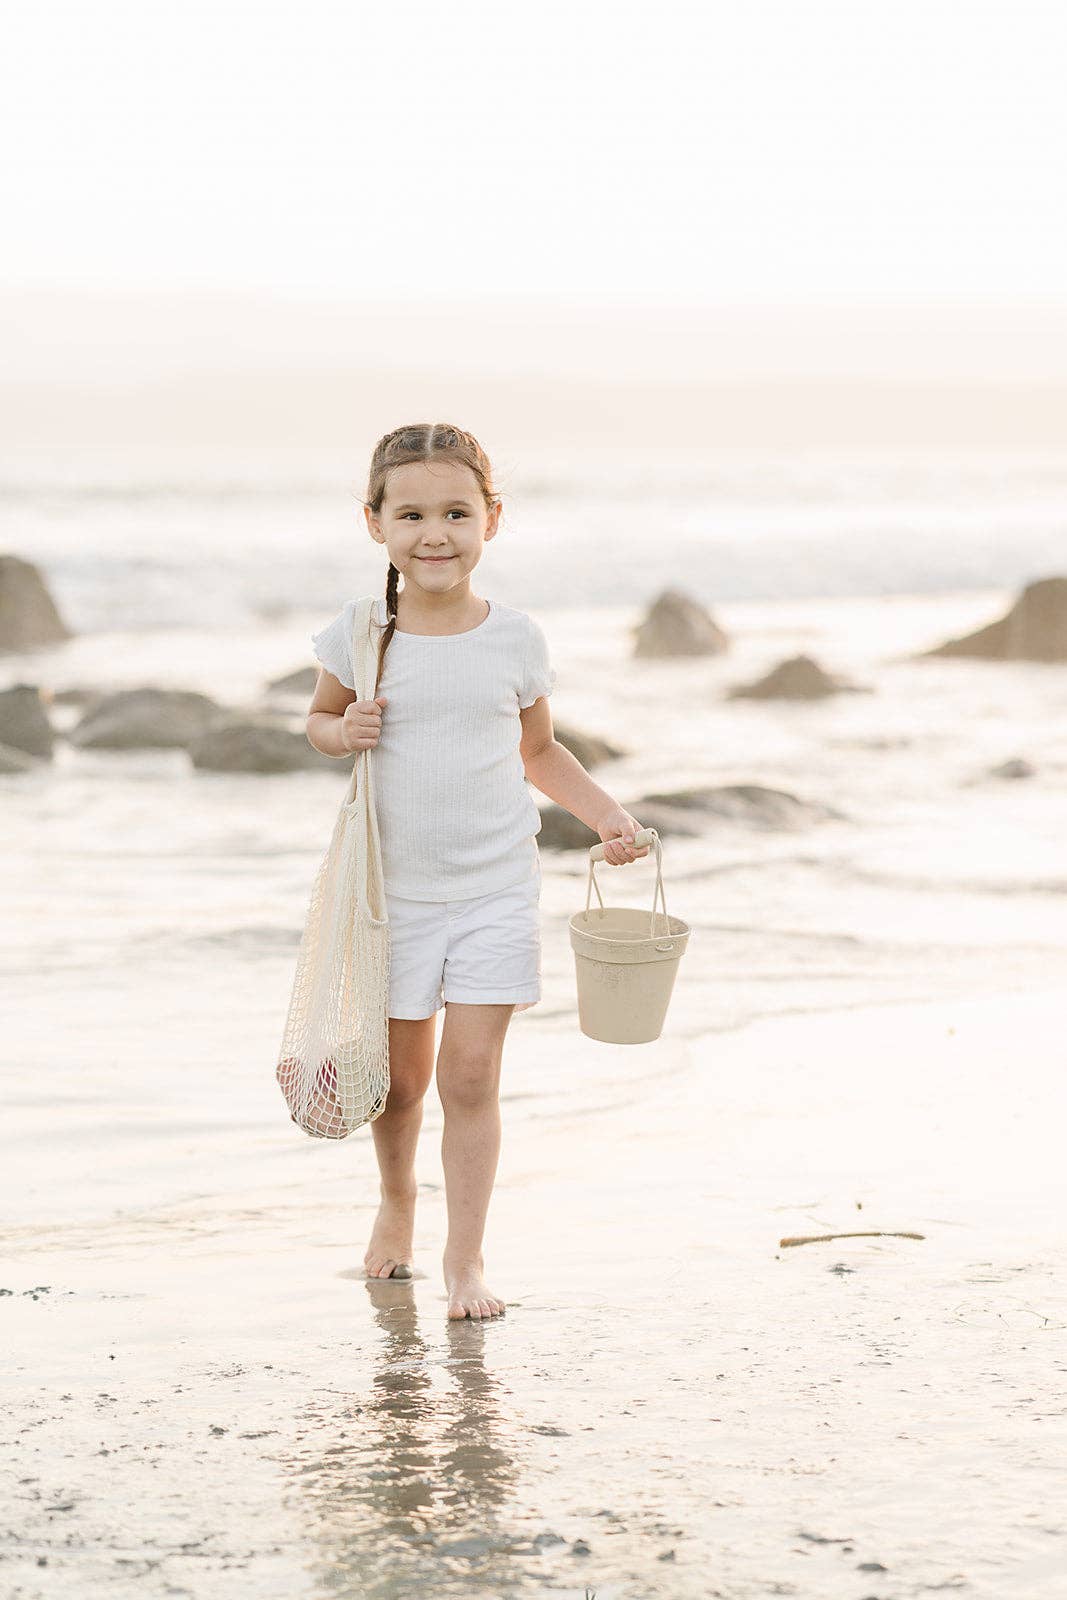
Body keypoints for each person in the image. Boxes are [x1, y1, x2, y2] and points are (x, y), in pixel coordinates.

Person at [305, 422, 649, 1321]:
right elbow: (317, 722)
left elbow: (539, 752)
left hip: (496, 885)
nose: (434, 533)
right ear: (374, 522)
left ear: (491, 519)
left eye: (456, 512)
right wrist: (343, 732)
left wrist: (606, 816)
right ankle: (394, 1202)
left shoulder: (515, 639)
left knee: (468, 1076)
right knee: (401, 1079)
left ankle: (465, 1264)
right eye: (410, 513)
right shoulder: (360, 634)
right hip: (393, 896)